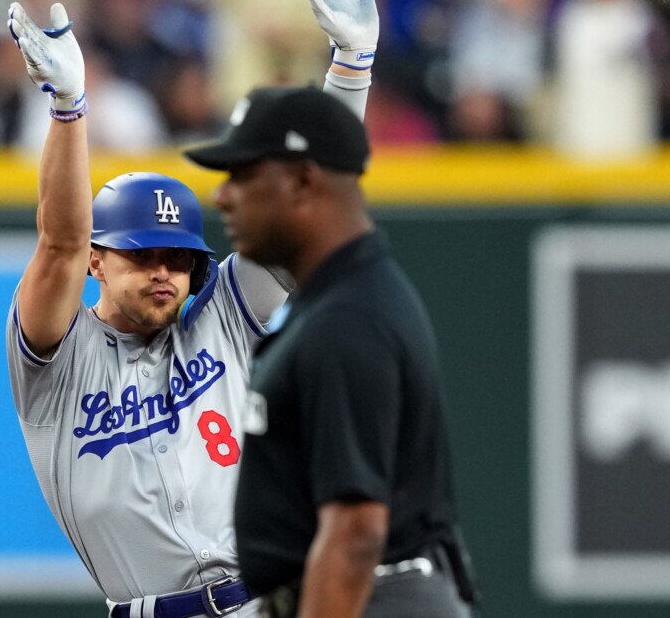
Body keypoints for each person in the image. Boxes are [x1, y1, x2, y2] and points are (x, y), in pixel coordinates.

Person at [3, 0, 377, 616]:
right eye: (143, 255)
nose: (164, 272)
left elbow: (306, 211)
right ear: (99, 260)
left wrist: (351, 68)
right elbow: (60, 241)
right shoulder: (55, 364)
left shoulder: (224, 319)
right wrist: (69, 110)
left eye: (179, 259)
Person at [183, 53, 479, 618]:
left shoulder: (348, 321)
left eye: (243, 175)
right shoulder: (342, 300)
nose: (223, 196)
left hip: (378, 598)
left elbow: (355, 534)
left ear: (301, 181)